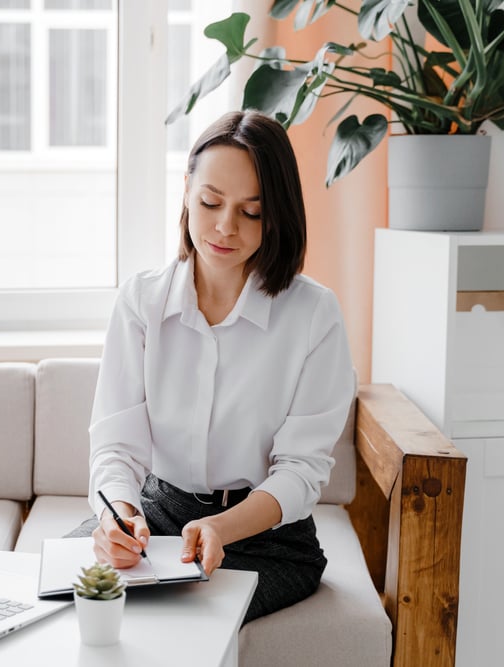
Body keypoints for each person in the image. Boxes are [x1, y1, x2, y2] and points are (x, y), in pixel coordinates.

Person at [70, 110, 356, 624]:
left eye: (251, 212)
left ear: (277, 216)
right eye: (210, 202)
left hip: (265, 534)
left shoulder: (314, 314)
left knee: (179, 626)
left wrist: (223, 527)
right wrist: (122, 515)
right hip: (160, 513)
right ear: (186, 192)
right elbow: (116, 445)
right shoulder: (142, 301)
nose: (225, 227)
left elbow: (302, 471)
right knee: (73, 599)